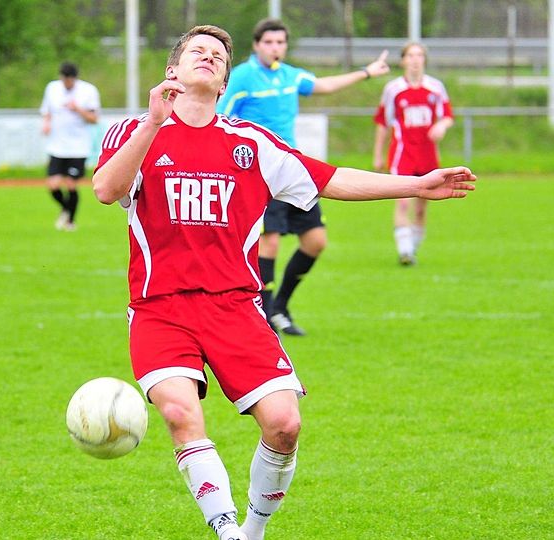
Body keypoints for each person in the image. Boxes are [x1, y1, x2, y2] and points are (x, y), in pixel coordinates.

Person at [92, 25, 474, 540]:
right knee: (181, 415)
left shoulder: (250, 144)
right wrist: (153, 123)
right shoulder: (134, 130)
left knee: (284, 424)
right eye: (196, 52)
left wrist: (415, 185)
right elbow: (105, 189)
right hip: (161, 308)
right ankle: (227, 532)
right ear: (172, 70)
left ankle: (252, 530)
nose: (208, 58)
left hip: (236, 307)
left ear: (225, 80)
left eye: (218, 57)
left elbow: (331, 178)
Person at [217, 18, 389, 336]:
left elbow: (323, 85)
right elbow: (219, 118)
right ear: (257, 45)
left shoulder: (290, 75)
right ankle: (265, 316)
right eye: (269, 42)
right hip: (258, 172)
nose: (275, 48)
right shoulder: (242, 77)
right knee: (269, 242)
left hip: (292, 169)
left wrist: (366, 72)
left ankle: (280, 307)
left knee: (315, 241)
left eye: (280, 42)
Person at [373, 42, 454, 265]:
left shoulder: (436, 87)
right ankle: (405, 251)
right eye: (410, 55)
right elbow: (383, 123)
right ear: (403, 60)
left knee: (421, 206)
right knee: (403, 201)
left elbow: (447, 115)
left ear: (424, 60)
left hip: (427, 154)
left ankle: (413, 246)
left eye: (419, 55)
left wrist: (442, 126)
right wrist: (378, 154)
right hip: (403, 153)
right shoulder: (393, 89)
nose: (415, 59)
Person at [40, 61, 101, 231]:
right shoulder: (52, 88)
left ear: (75, 79)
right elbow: (46, 111)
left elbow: (94, 118)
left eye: (70, 80)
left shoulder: (88, 91)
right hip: (57, 146)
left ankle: (70, 222)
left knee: (71, 184)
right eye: (64, 80)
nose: (67, 83)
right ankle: (66, 209)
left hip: (78, 146)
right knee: (52, 185)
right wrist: (46, 123)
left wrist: (78, 109)